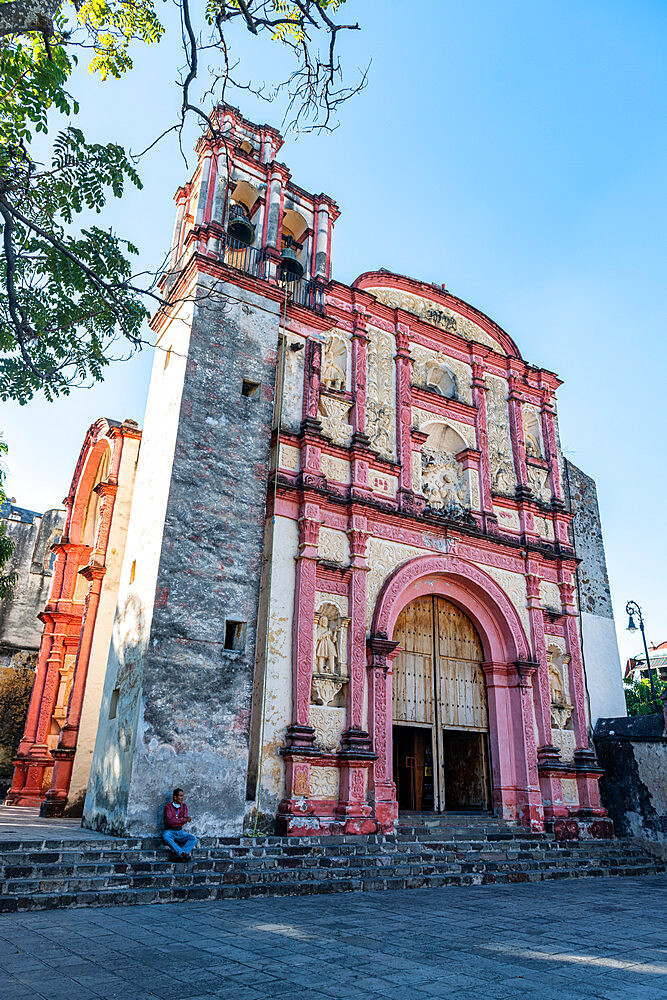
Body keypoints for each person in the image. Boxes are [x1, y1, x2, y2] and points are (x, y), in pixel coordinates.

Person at [163, 787, 197, 860]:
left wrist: (181, 819)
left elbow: (185, 820)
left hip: (180, 831)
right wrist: (183, 819)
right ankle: (182, 853)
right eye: (180, 796)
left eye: (182, 796)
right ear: (175, 797)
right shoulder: (168, 807)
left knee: (193, 839)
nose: (182, 798)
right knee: (166, 837)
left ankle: (179, 854)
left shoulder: (184, 806)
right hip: (170, 830)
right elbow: (169, 821)